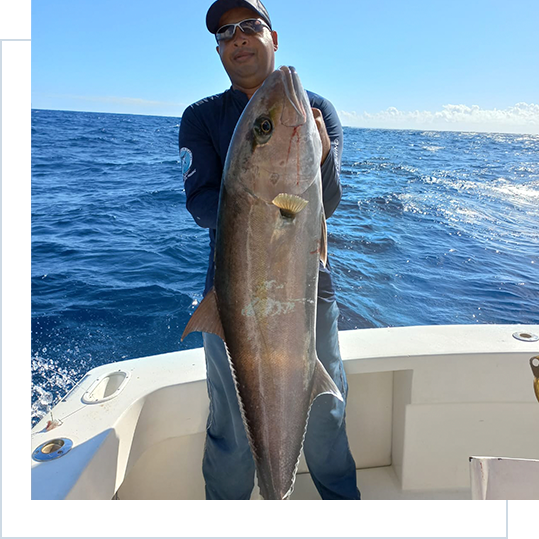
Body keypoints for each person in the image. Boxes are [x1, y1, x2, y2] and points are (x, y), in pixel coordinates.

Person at [178, 0, 361, 501]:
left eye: (249, 26)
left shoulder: (314, 109)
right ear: (219, 50)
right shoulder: (201, 117)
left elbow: (331, 201)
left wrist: (317, 160)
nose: (237, 37)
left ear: (272, 37)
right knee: (231, 430)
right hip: (232, 298)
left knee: (326, 413)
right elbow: (199, 202)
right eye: (225, 33)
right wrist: (263, 203)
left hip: (308, 293)